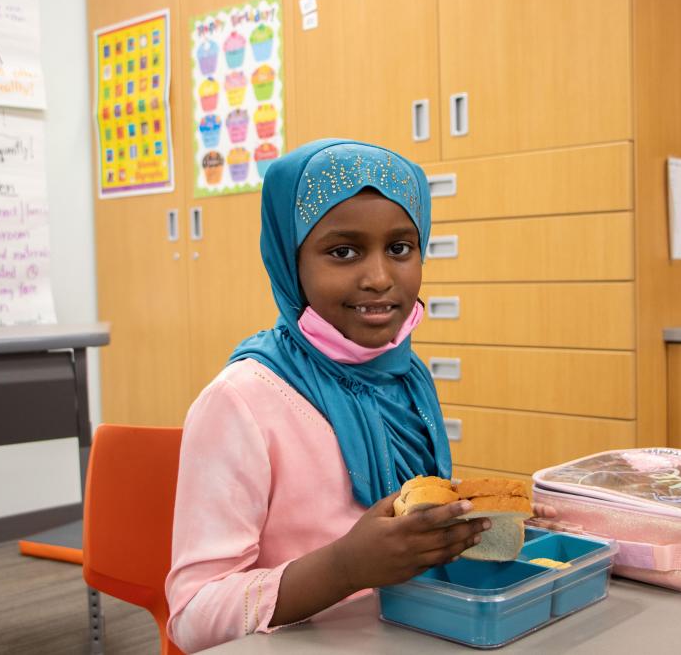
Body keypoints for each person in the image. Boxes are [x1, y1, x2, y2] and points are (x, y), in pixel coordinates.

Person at [165, 139, 554, 651]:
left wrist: (464, 524)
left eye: (399, 248)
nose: (378, 278)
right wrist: (343, 567)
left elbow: (407, 526)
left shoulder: (406, 376)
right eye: (342, 252)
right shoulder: (240, 402)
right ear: (289, 260)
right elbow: (192, 617)